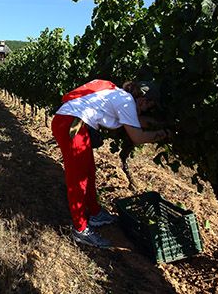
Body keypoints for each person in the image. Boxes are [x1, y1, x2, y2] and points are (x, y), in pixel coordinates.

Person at [52, 79, 171, 248]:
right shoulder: (126, 101)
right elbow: (137, 137)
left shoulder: (121, 97)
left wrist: (163, 125)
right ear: (145, 101)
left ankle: (95, 213)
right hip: (71, 124)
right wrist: (164, 134)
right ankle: (80, 230)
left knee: (88, 171)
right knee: (78, 179)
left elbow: (137, 122)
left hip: (73, 122)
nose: (146, 112)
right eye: (148, 108)